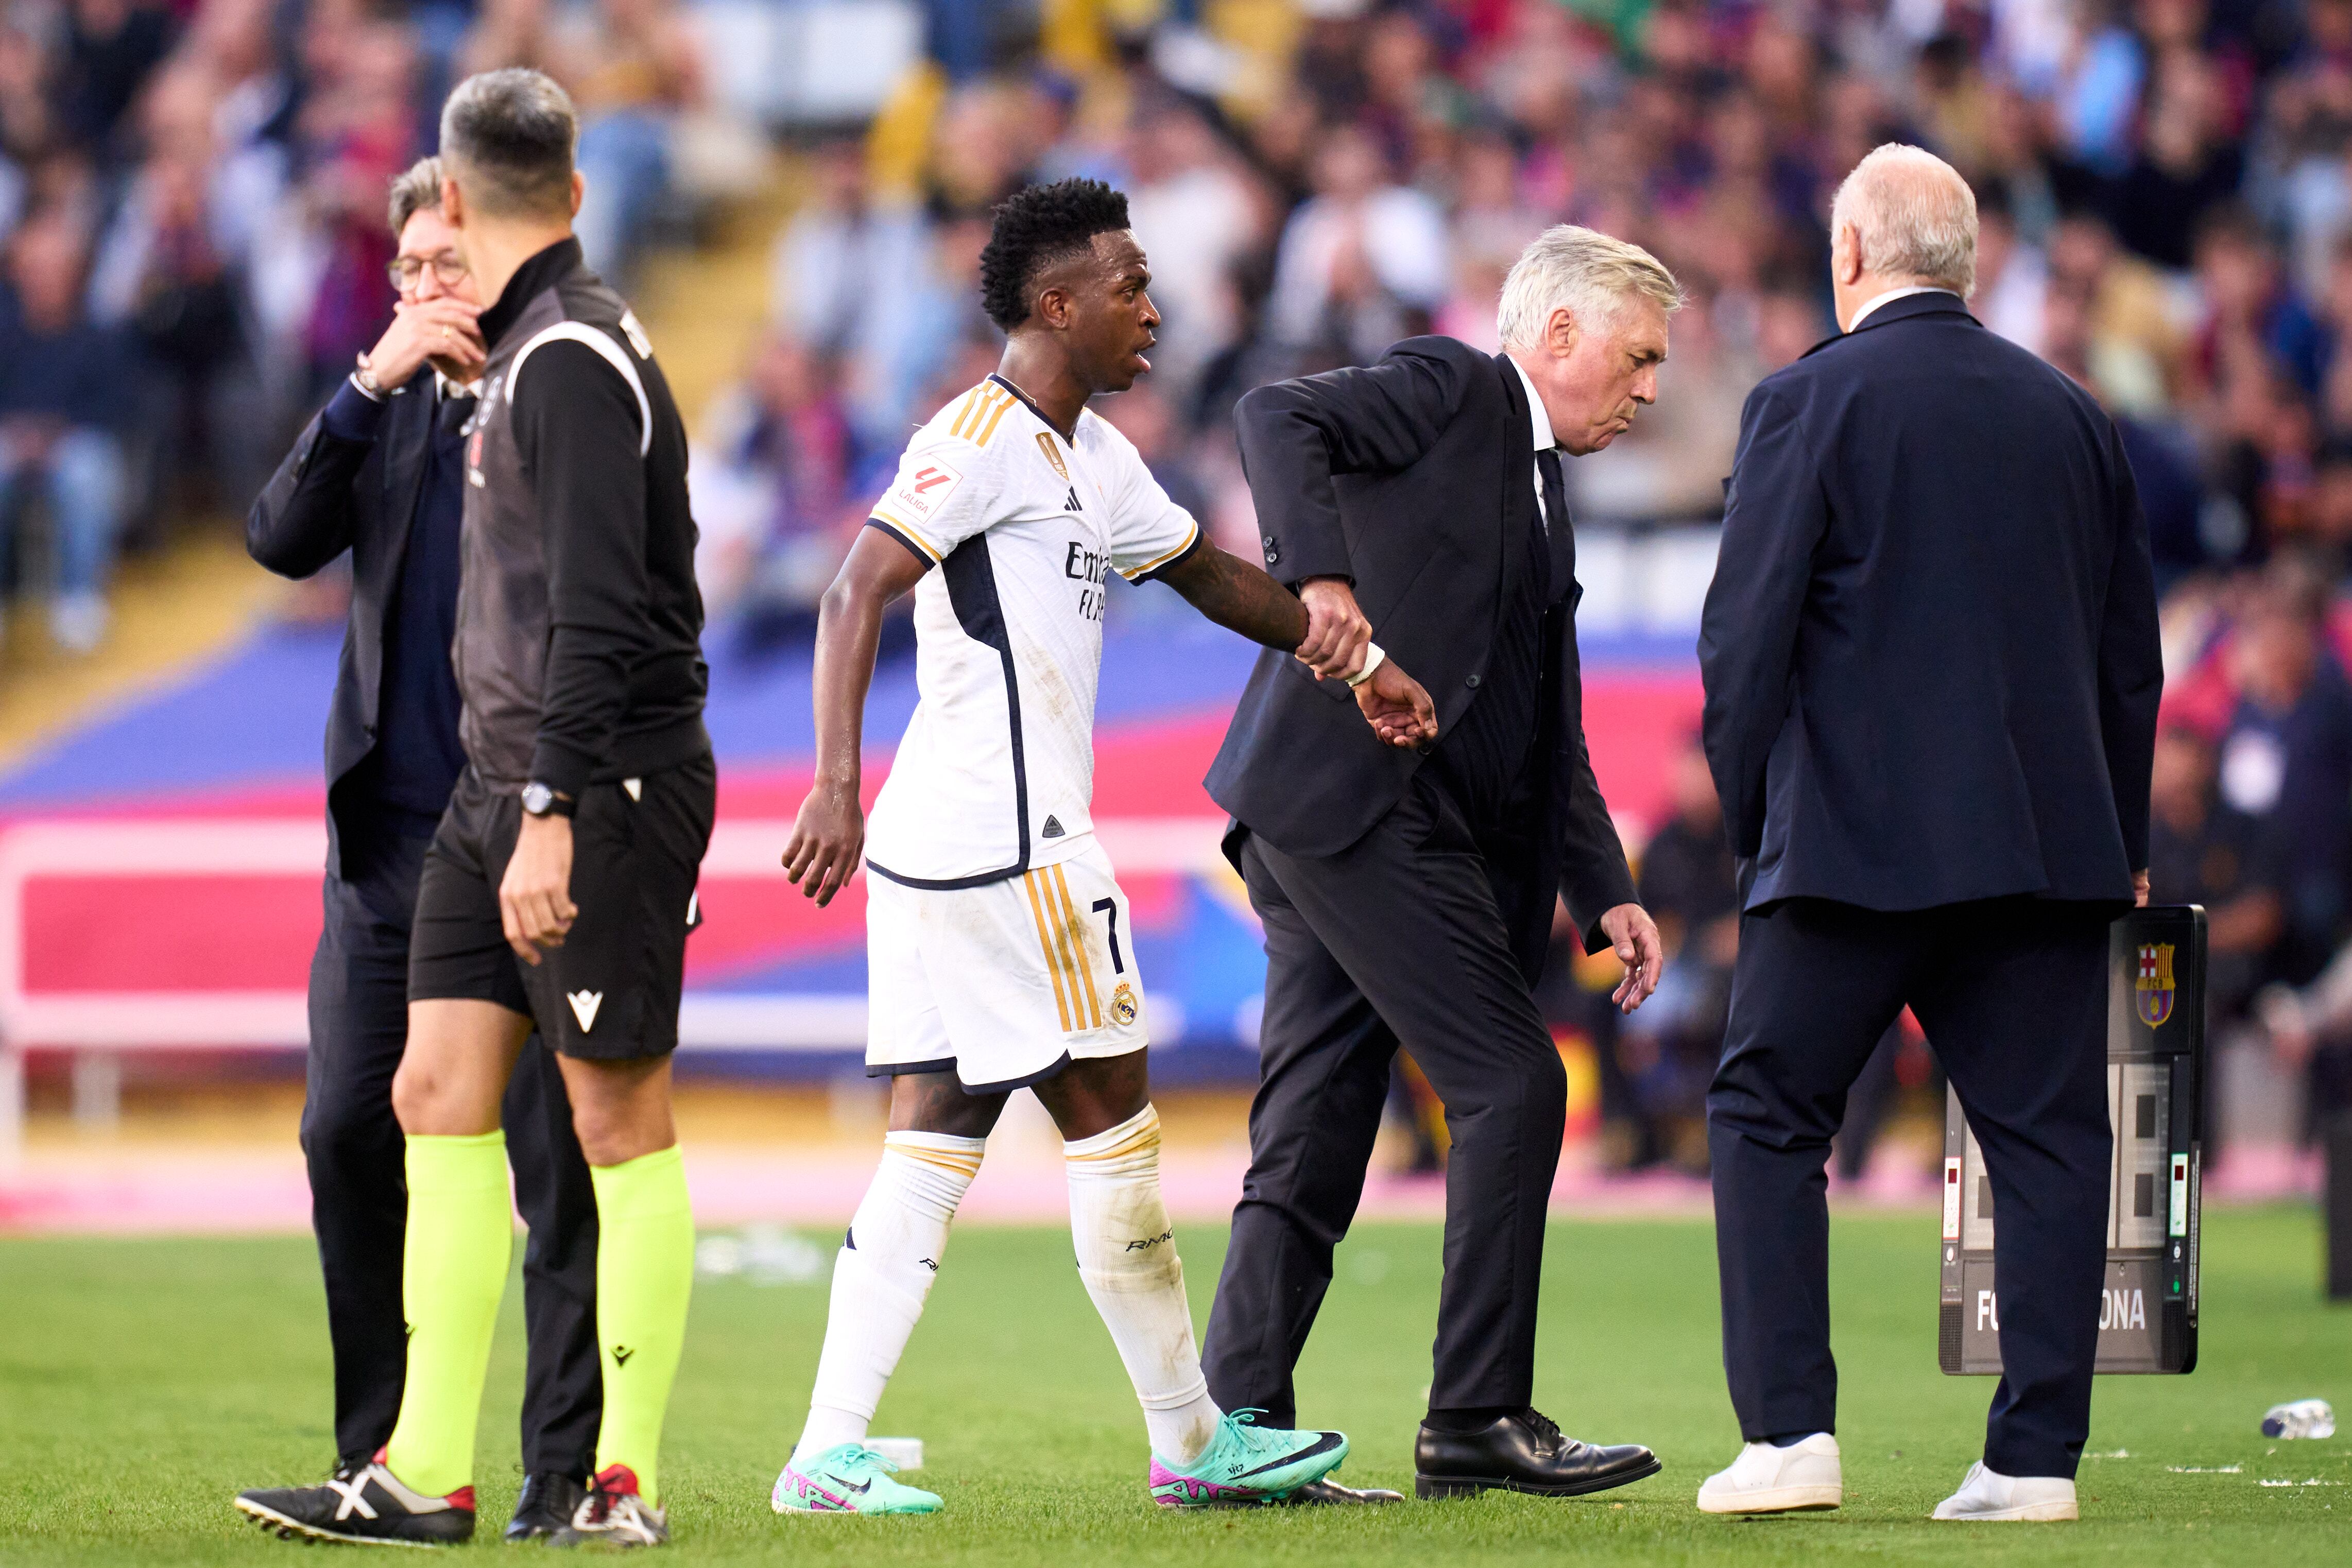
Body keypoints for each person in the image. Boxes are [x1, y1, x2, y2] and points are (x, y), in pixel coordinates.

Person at [770, 177, 1433, 1517]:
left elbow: (1207, 575)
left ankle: (825, 1449)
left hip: (953, 851)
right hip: (1009, 847)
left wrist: (1349, 652)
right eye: (1128, 285)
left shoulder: (1095, 458)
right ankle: (1193, 1434)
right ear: (1055, 303)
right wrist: (830, 781)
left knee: (935, 1136)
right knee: (1110, 1122)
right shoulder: (977, 439)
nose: (1153, 307)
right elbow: (854, 585)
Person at [235, 68, 711, 1549]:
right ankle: (422, 1463)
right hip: (465, 805)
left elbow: (596, 610)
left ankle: (608, 1479)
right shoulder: (488, 370)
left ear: (463, 200)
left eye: (444, 242)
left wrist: (559, 803)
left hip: (580, 790)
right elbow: (279, 536)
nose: (431, 274)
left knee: (606, 1123)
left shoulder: (566, 358)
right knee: (419, 1097)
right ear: (568, 191)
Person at [1694, 145, 2160, 1524]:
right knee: (2050, 1140)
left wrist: (1749, 823)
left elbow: (1742, 641)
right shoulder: (2068, 414)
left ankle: (1788, 1436)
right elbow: (2125, 655)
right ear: (1964, 262)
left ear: (1846, 256)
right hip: (2039, 848)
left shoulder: (1800, 400)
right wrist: (2114, 836)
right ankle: (2030, 1460)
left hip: (1843, 846)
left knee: (1764, 1113)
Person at [1198, 224, 1672, 1503]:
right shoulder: (1460, 388)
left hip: (1321, 814)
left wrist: (1605, 882)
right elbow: (1273, 412)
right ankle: (1474, 1418)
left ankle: (1232, 1432)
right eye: (1637, 358)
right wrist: (1323, 584)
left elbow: (1543, 714)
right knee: (1513, 1084)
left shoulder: (1543, 482)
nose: (1649, 390)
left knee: (1313, 1131)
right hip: (1357, 805)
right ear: (1557, 333)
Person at [0, 214, 130, 652]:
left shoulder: (100, 335)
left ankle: (79, 598)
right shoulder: (6, 333)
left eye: (54, 268)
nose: (43, 279)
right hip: (11, 441)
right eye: (33, 269)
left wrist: (54, 433)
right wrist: (20, 434)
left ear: (75, 273)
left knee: (86, 471)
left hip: (75, 440)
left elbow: (115, 408)